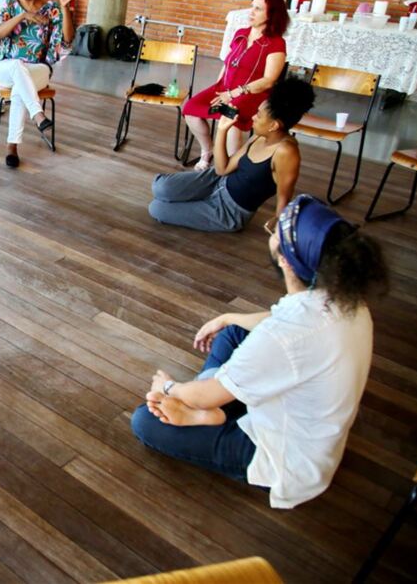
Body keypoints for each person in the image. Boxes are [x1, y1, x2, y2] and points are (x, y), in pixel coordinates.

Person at [131, 194, 387, 509]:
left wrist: (169, 387)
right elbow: (276, 322)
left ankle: (209, 412)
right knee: (234, 332)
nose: (270, 230)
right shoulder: (345, 297)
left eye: (274, 230)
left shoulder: (284, 336)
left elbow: (275, 340)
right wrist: (227, 317)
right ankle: (213, 406)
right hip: (308, 423)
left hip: (284, 459)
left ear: (285, 260)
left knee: (145, 421)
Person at [148, 78, 314, 233]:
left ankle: (196, 204)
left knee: (157, 208)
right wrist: (222, 130)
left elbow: (284, 196)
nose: (253, 117)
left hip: (229, 210)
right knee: (160, 187)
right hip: (217, 181)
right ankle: (195, 201)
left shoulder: (286, 152)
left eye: (258, 115)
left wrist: (279, 227)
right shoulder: (260, 136)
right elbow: (222, 169)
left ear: (274, 125)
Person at [183, 0, 288, 170]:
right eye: (252, 6)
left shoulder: (276, 43)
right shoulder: (241, 33)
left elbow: (269, 80)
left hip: (252, 94)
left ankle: (230, 166)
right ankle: (207, 151)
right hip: (225, 88)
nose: (251, 12)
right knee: (191, 109)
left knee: (231, 117)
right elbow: (228, 63)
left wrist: (233, 94)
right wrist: (218, 86)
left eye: (258, 9)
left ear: (272, 14)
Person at [0, 0, 79, 168]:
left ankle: (12, 146)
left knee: (20, 87)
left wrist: (64, 7)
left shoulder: (51, 9)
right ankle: (38, 115)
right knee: (17, 66)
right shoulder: (11, 5)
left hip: (37, 69)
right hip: (6, 67)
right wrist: (23, 16)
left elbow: (67, 39)